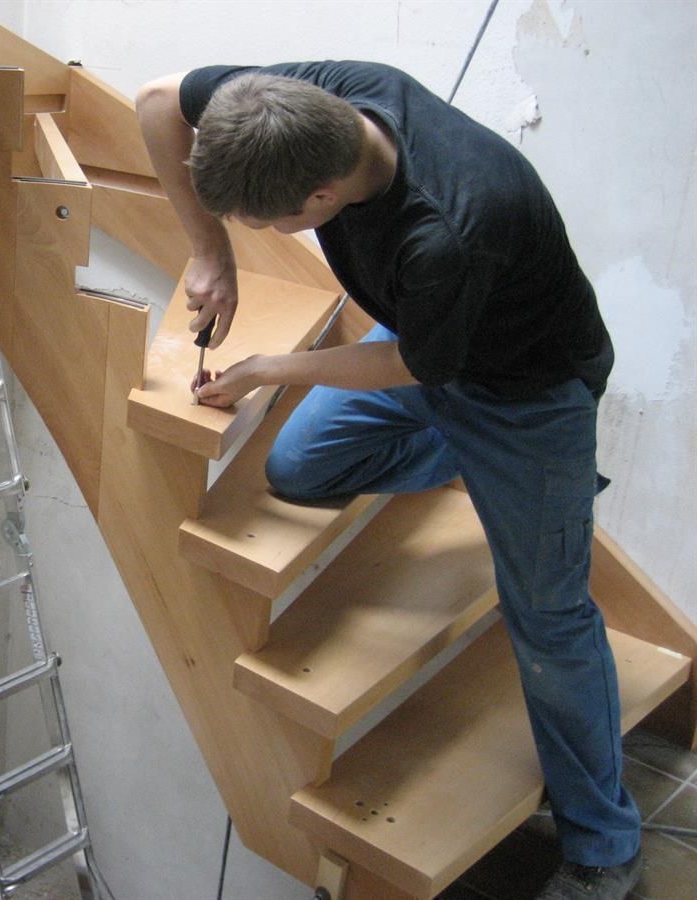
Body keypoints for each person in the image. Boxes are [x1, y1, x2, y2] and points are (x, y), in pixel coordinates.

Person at [136, 62, 640, 900]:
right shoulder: (315, 95)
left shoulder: (449, 229)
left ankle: (605, 844)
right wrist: (208, 247)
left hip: (525, 389)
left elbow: (407, 364)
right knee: (301, 469)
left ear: (326, 193)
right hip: (427, 333)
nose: (270, 232)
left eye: (274, 225)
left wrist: (267, 366)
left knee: (549, 621)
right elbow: (157, 103)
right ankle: (519, 489)